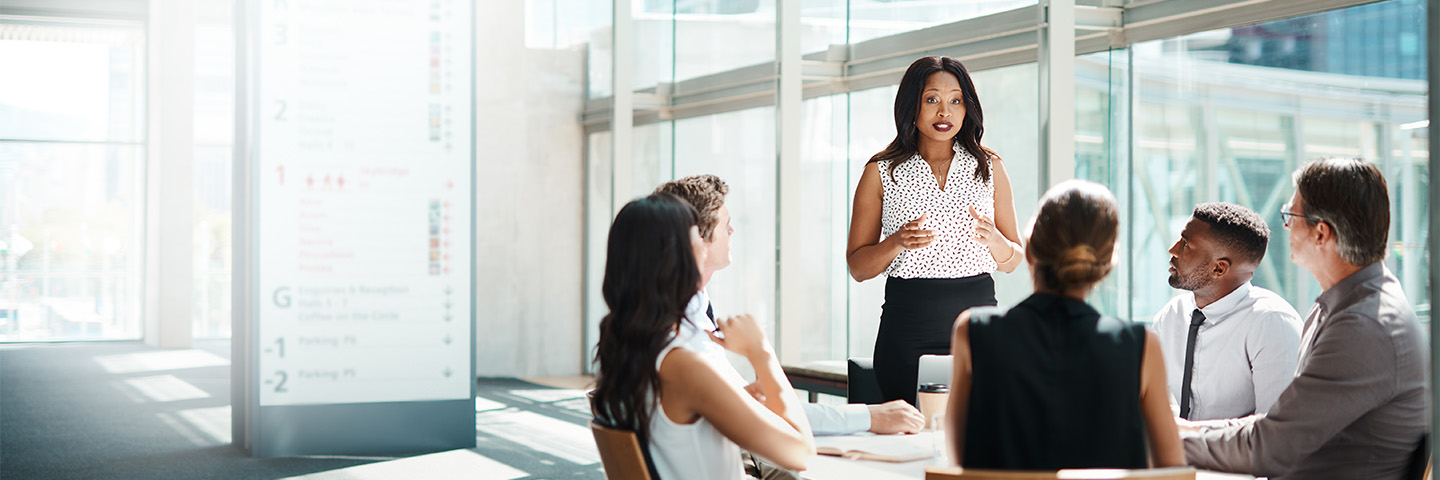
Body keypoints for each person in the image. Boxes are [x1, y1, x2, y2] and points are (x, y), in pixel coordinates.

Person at [1180, 158, 1429, 479]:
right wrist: (1183, 430)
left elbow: (1271, 447)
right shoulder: (1344, 307)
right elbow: (1280, 424)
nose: (1285, 226)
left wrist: (1167, 441)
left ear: (1321, 234)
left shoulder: (1365, 326)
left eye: (1290, 215)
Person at [656, 174, 925, 438]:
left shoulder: (690, 311)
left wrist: (746, 395)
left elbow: (746, 406)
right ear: (697, 237)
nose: (732, 230)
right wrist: (871, 417)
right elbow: (759, 416)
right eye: (724, 223)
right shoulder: (680, 332)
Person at [945, 180, 1185, 470]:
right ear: (1108, 262)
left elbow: (959, 464)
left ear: (1030, 251)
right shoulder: (1141, 345)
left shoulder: (972, 330)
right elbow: (1172, 472)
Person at [592, 193, 814, 480]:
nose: (704, 247)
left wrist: (727, 398)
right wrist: (761, 353)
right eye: (697, 237)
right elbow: (802, 454)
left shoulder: (627, 346)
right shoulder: (682, 364)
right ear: (677, 257)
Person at [846, 56, 1024, 406]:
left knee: (977, 435)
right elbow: (858, 267)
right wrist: (896, 242)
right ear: (911, 105)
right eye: (932, 100)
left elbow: (1013, 260)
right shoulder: (881, 171)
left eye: (955, 100)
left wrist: (994, 240)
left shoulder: (990, 167)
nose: (945, 111)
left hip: (978, 331)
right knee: (912, 432)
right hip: (908, 330)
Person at [1151, 202, 1302, 421]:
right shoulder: (1172, 315)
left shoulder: (1272, 323)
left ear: (1219, 268)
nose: (1173, 250)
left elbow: (1276, 432)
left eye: (1186, 244)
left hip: (1238, 456)